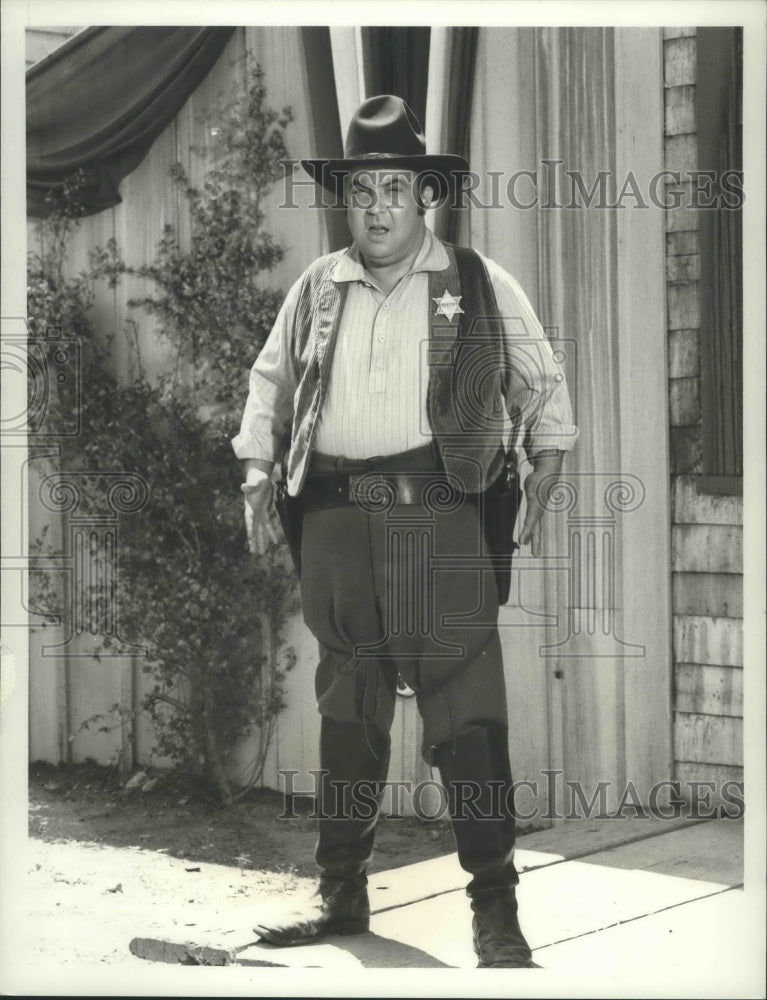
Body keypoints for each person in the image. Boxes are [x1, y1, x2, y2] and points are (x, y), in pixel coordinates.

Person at [232, 94, 577, 969]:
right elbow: (268, 385)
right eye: (363, 190)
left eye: (395, 187)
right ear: (346, 199)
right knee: (347, 711)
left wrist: (548, 461)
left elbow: (541, 381)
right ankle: (340, 894)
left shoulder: (475, 281)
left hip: (440, 516)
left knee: (467, 712)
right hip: (336, 523)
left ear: (424, 193)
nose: (379, 205)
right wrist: (255, 468)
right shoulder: (317, 289)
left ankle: (495, 912)